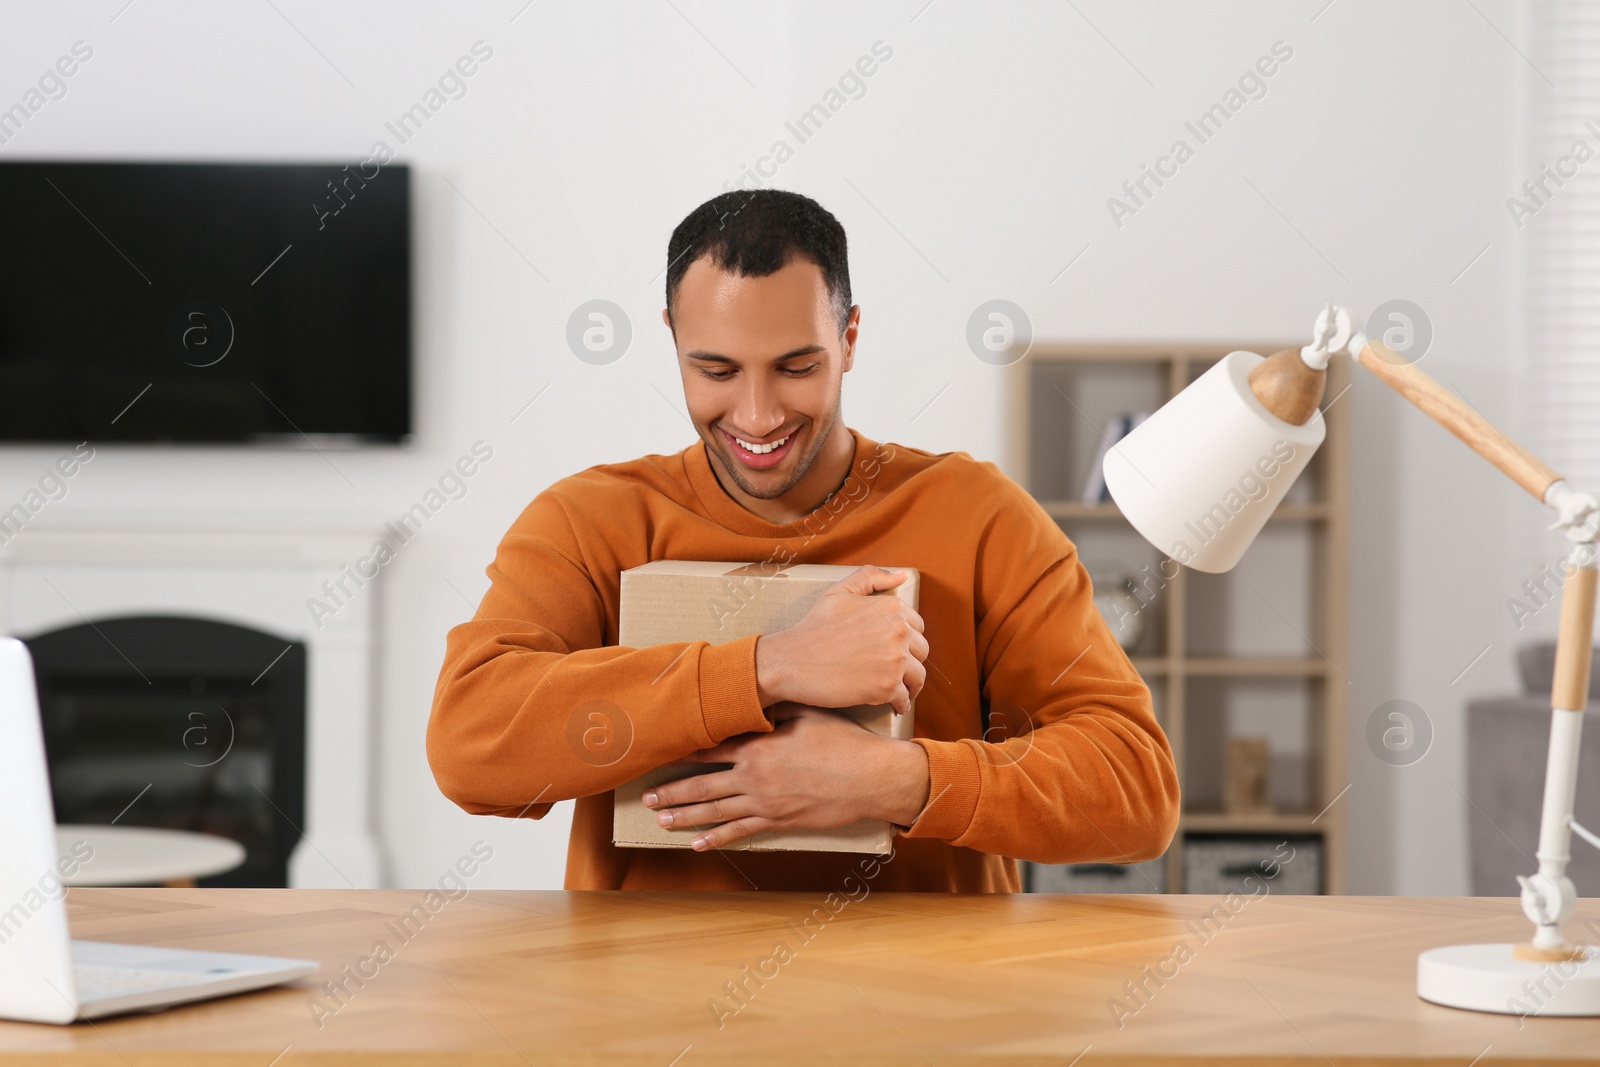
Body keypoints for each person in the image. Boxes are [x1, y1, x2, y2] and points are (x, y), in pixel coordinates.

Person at [427, 189, 1179, 891]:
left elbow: (1137, 791)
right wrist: (771, 666)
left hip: (934, 1009)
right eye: (715, 368)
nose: (756, 415)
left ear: (849, 339)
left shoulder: (980, 517)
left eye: (796, 367)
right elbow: (470, 747)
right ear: (673, 340)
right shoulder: (591, 521)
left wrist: (889, 780)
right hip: (648, 1010)